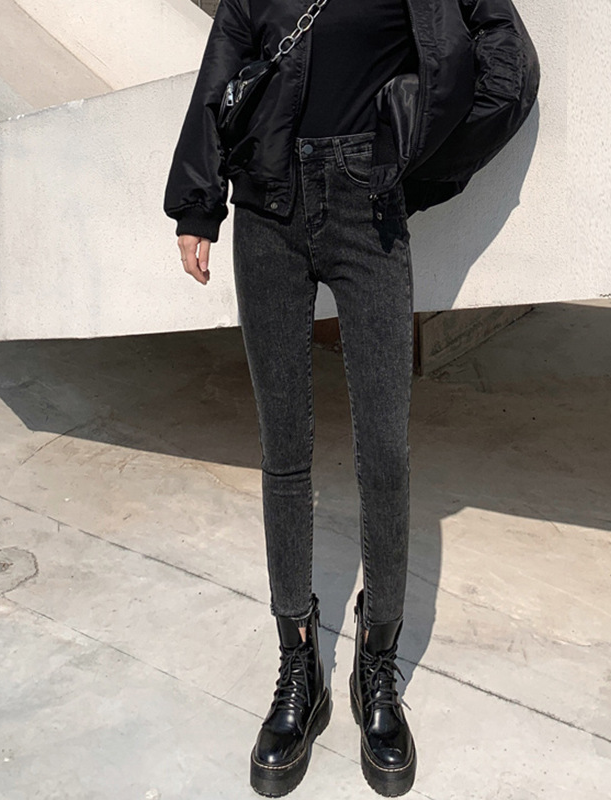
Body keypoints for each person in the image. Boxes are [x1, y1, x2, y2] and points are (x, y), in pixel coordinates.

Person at [163, 1, 537, 796]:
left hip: (369, 207)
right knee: (284, 452)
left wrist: (424, 159)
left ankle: (377, 664)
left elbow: (505, 59)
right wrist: (197, 203)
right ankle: (298, 664)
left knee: (386, 456)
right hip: (266, 209)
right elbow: (220, 72)